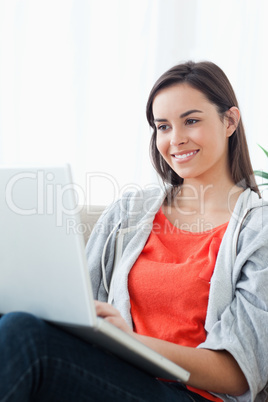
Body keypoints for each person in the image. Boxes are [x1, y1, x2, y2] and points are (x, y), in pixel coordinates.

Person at [0, 61, 268, 402]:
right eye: (163, 127)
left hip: (193, 396)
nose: (176, 139)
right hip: (113, 378)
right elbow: (81, 305)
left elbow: (237, 373)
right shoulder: (129, 212)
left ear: (229, 121)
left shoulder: (259, 228)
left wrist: (129, 341)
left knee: (23, 336)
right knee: (16, 322)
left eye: (191, 120)